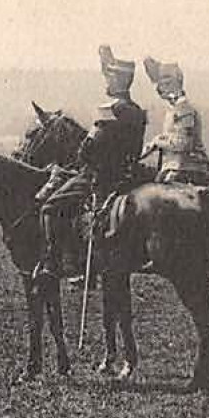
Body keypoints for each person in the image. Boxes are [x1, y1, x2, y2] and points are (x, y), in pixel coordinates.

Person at [33, 46, 148, 282]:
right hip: (130, 174)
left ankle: (56, 264)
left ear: (116, 81)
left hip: (101, 176)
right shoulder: (137, 111)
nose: (106, 81)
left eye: (109, 77)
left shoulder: (108, 111)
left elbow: (87, 151)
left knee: (50, 208)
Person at [143, 57, 209, 185]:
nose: (160, 89)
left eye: (165, 84)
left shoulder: (183, 109)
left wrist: (157, 141)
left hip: (187, 168)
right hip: (175, 167)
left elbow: (183, 144)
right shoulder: (174, 109)